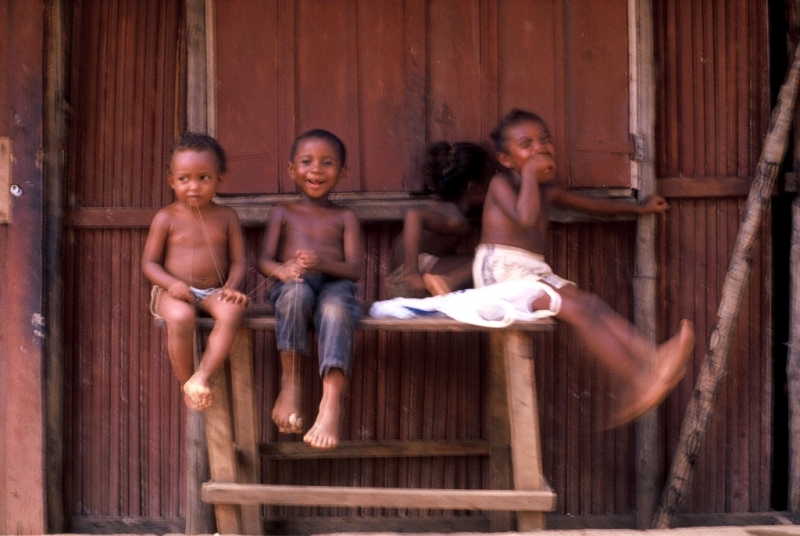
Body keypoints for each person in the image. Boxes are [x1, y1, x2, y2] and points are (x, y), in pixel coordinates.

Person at [479, 108, 695, 428]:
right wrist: (529, 174)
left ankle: (653, 359)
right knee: (577, 311)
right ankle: (637, 380)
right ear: (506, 159)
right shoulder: (501, 185)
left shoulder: (547, 191)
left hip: (531, 270)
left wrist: (639, 208)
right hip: (500, 275)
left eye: (545, 140)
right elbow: (524, 218)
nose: (540, 148)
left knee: (589, 303)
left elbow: (594, 205)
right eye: (527, 144)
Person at [259, 129, 364, 449]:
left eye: (327, 163)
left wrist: (323, 265)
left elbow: (355, 270)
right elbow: (263, 259)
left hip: (335, 285)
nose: (316, 169)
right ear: (292, 170)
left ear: (342, 173)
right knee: (295, 294)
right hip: (294, 284)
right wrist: (282, 269)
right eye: (306, 162)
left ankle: (330, 403)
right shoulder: (282, 212)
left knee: (335, 310)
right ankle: (290, 382)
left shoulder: (346, 216)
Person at [142, 132, 250, 412]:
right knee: (181, 317)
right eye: (184, 179)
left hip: (215, 292)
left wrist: (231, 287)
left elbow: (239, 261)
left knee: (233, 313)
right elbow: (149, 264)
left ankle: (201, 377)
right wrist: (171, 283)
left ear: (220, 179)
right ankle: (187, 382)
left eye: (204, 178)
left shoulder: (227, 217)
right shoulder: (166, 217)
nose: (194, 186)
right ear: (171, 181)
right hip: (174, 293)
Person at [386, 141, 493, 298]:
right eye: (489, 186)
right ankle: (445, 283)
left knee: (476, 259)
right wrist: (412, 273)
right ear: (472, 187)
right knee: (487, 260)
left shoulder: (439, 205)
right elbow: (413, 216)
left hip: (405, 271)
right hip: (408, 276)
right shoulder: (457, 221)